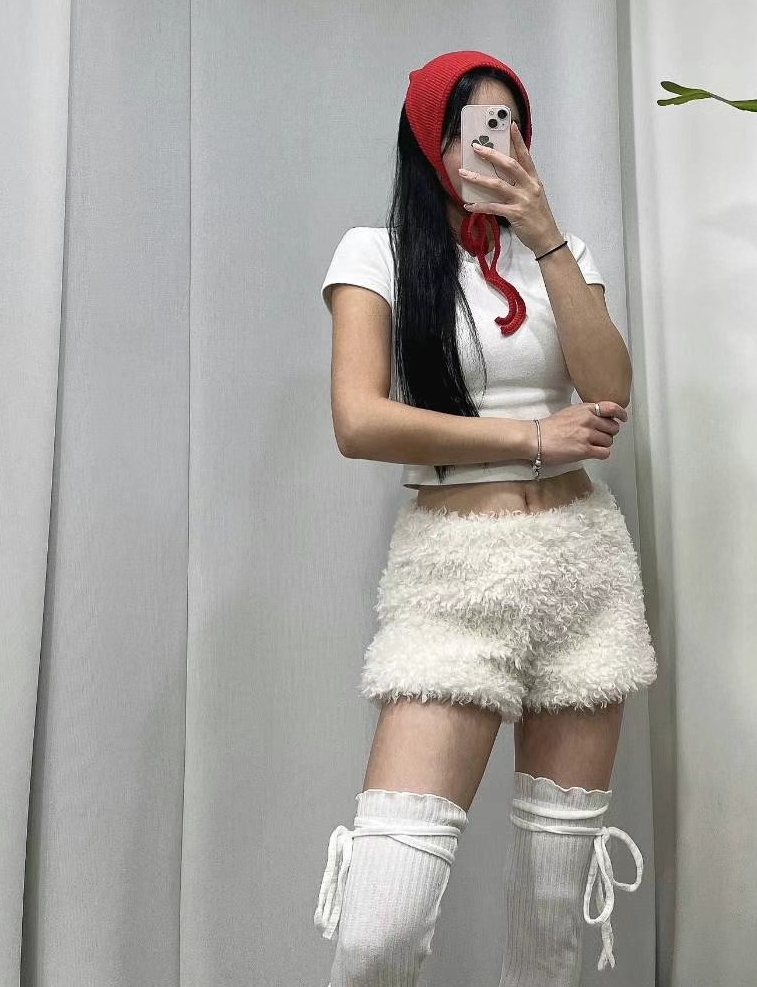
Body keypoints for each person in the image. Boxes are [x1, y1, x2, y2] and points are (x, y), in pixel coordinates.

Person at [314, 50, 659, 986]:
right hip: (455, 576)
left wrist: (543, 234)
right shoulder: (375, 254)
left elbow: (610, 387)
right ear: (430, 140)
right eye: (473, 128)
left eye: (510, 126)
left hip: (582, 568)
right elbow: (359, 421)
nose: (493, 147)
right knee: (382, 924)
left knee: (553, 928)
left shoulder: (560, 254)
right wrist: (534, 437)